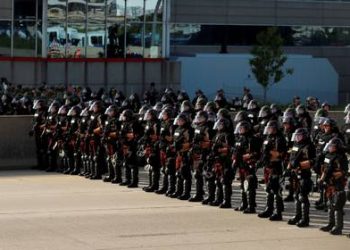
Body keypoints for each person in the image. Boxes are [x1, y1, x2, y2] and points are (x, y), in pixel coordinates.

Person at [258, 121, 287, 221]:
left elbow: (279, 154)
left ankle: (278, 212)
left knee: (277, 190)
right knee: (269, 189)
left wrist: (269, 152)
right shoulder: (268, 138)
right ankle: (269, 209)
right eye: (268, 128)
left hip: (277, 167)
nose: (269, 130)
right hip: (268, 167)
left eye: (271, 128)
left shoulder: (280, 139)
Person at [286, 128, 315, 227]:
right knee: (296, 196)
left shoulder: (309, 146)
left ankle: (305, 219)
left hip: (304, 174)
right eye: (296, 135)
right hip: (294, 174)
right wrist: (288, 168)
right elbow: (291, 158)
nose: (297, 137)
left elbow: (312, 161)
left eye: (300, 136)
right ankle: (297, 216)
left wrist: (300, 166)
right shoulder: (295, 145)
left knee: (303, 197)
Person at [319, 138, 348, 235]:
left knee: (337, 206)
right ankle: (330, 224)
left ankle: (338, 227)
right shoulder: (328, 156)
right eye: (329, 146)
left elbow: (343, 172)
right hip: (329, 184)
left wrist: (332, 175)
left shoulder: (341, 158)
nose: (330, 148)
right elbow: (325, 169)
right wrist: (322, 179)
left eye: (332, 146)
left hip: (337, 184)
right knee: (330, 204)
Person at [232, 121, 260, 213]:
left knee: (250, 185)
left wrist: (248, 157)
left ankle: (251, 206)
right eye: (239, 128)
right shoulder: (239, 139)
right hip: (241, 166)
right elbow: (236, 151)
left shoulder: (252, 139)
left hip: (249, 165)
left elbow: (256, 153)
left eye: (242, 128)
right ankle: (243, 204)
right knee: (242, 185)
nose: (240, 130)